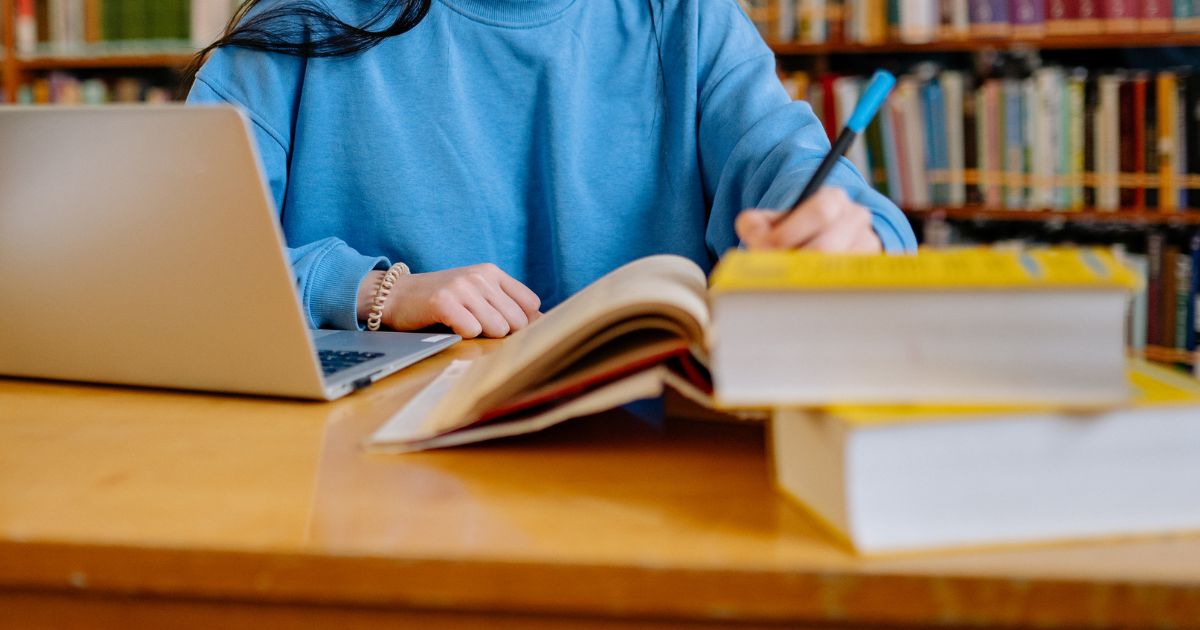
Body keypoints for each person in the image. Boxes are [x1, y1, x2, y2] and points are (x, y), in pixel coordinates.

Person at [186, 0, 917, 339]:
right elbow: (170, 267)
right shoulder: (295, 31)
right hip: (350, 476)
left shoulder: (687, 19)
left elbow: (795, 167)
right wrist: (374, 291)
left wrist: (852, 235)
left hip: (642, 473)